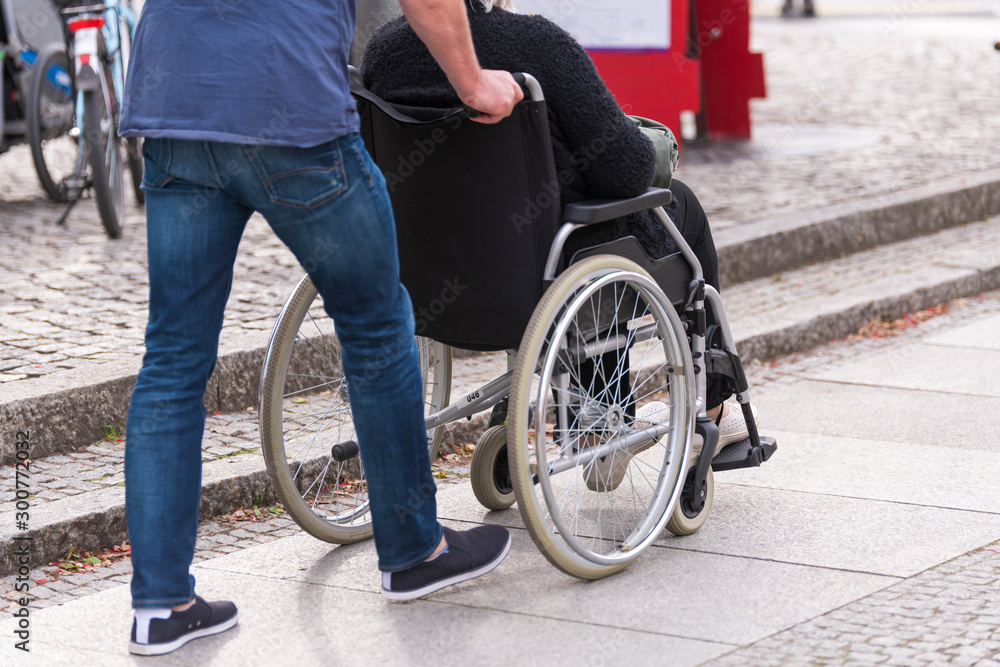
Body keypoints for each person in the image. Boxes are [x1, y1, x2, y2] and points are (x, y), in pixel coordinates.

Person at [118, 0, 522, 656]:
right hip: (289, 105)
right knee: (375, 324)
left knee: (172, 358)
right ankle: (414, 551)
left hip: (177, 103)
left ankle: (160, 605)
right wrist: (474, 83)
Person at [362, 0, 757, 455]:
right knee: (660, 207)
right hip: (538, 278)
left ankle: (596, 420)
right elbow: (626, 170)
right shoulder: (537, 44)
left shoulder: (383, 52)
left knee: (584, 220)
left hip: (425, 276)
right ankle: (708, 409)